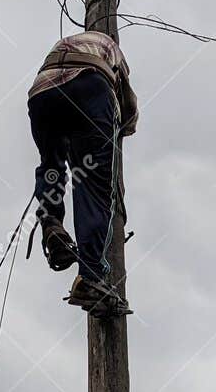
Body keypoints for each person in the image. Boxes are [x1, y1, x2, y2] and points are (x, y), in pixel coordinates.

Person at [26, 29, 138, 316]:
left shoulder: (62, 45)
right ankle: (91, 278)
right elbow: (127, 108)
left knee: (52, 162)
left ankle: (52, 224)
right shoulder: (111, 49)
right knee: (94, 185)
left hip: (42, 92)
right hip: (89, 86)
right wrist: (122, 130)